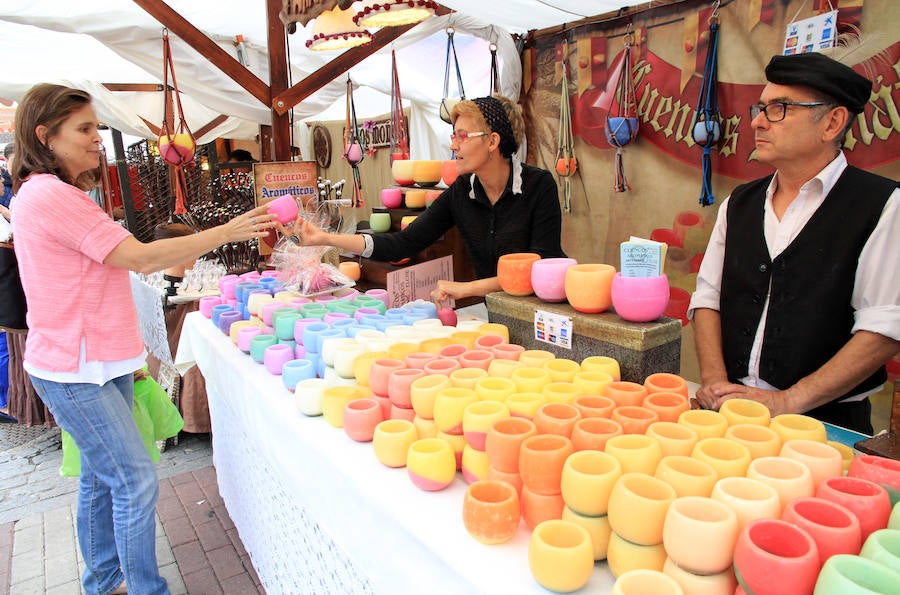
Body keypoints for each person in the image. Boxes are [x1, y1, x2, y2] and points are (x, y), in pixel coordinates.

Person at [11, 83, 277, 594]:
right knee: (134, 481)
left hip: (91, 360)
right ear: (45, 137)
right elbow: (140, 257)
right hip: (76, 365)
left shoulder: (50, 194)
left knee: (100, 478)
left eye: (95, 127)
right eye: (84, 129)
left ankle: (103, 581)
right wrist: (228, 230)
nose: (96, 139)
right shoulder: (50, 195)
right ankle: (142, 587)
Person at [689, 52, 899, 435]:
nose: (756, 121)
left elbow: (883, 327)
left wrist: (788, 401)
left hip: (825, 424)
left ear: (832, 122)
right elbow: (708, 298)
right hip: (730, 413)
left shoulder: (883, 205)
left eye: (779, 108)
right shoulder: (739, 203)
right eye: (761, 107)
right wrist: (716, 382)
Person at [286, 94, 566, 302]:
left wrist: (468, 288)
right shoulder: (462, 192)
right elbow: (400, 244)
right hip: (496, 309)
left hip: (542, 312)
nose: (453, 144)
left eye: (462, 135)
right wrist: (325, 238)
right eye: (453, 135)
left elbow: (540, 267)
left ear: (492, 141)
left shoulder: (538, 186)